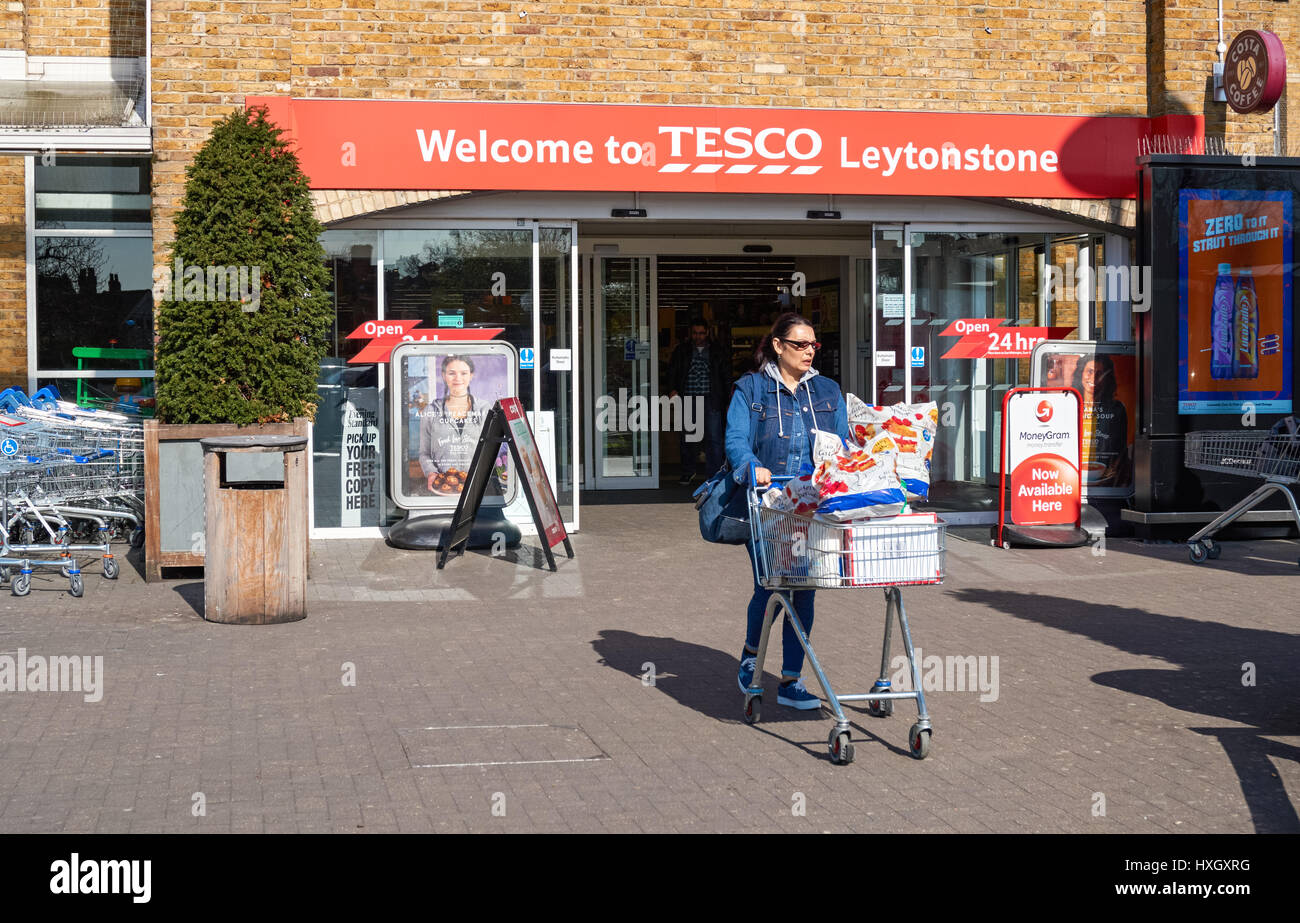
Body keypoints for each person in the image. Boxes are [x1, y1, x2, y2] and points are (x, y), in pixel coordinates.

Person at [725, 312, 849, 710]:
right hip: (768, 504)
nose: (809, 351)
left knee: (806, 589)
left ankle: (791, 680)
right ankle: (750, 657)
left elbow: (842, 445)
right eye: (800, 344)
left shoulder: (828, 391)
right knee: (773, 583)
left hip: (813, 505)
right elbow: (736, 440)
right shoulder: (751, 389)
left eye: (814, 345)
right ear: (778, 346)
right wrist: (750, 467)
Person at [668, 319, 731, 485]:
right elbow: (673, 370)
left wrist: (729, 398)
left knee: (714, 438)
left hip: (712, 398)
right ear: (691, 333)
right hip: (688, 396)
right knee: (687, 437)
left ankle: (714, 474)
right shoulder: (682, 350)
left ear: (707, 333)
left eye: (701, 333)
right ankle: (688, 471)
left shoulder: (717, 351)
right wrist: (672, 389)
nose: (698, 336)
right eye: (695, 333)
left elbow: (726, 375)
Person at [418, 355, 486, 492]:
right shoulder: (431, 411)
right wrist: (431, 473)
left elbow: (492, 449)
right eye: (451, 373)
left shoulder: (484, 408)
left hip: (477, 488)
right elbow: (424, 453)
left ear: (471, 375)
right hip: (442, 487)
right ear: (443, 375)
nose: (458, 378)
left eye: (463, 373)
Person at [1072, 354, 1130, 487]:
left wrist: (1112, 473)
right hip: (1072, 478)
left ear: (1107, 379)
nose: (1093, 378)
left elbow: (1121, 449)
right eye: (1090, 371)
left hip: (1105, 482)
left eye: (1100, 373)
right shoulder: (1070, 405)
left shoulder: (1117, 409)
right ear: (1081, 373)